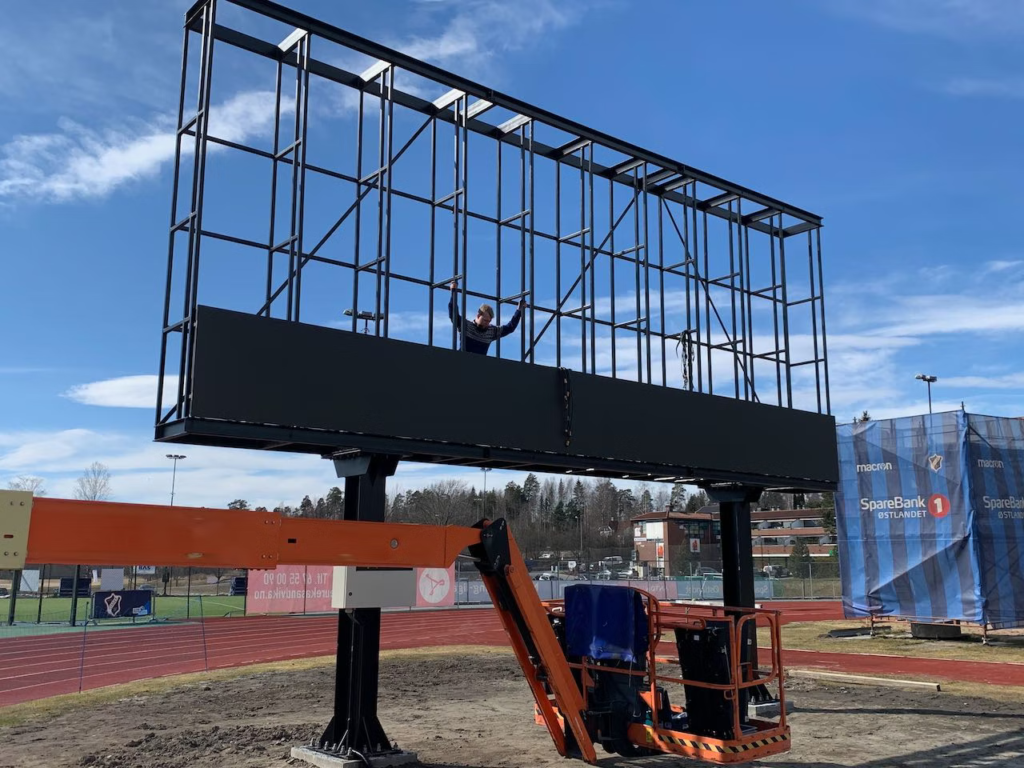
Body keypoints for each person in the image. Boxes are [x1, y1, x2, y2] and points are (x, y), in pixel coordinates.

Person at [448, 281, 526, 355]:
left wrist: (519, 310)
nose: (487, 323)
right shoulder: (466, 325)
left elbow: (510, 328)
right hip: (462, 361)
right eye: (485, 320)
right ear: (478, 316)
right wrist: (453, 292)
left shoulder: (491, 331)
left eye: (489, 321)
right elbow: (453, 315)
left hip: (479, 363)